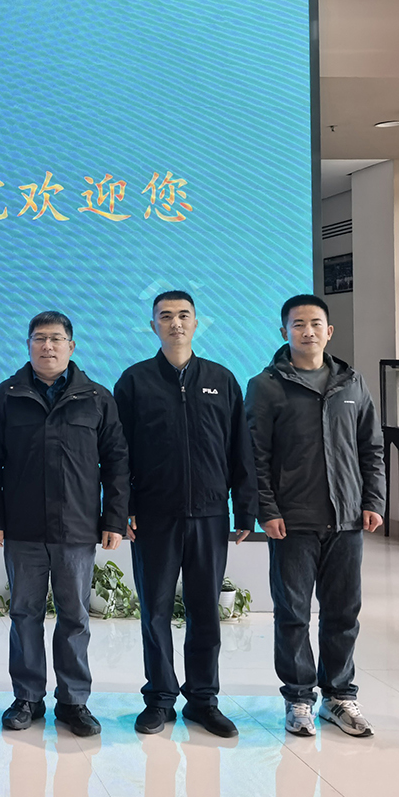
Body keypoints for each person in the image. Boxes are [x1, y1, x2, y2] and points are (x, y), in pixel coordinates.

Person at [113, 290, 259, 738]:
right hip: (154, 516)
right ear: (153, 325)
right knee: (154, 611)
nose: (175, 323)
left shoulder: (221, 379)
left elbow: (240, 449)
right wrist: (123, 507)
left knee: (204, 612)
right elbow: (119, 454)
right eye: (165, 316)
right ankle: (159, 698)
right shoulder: (134, 381)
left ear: (196, 322)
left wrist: (245, 508)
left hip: (209, 515)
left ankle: (203, 700)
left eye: (183, 315)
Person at [0, 310, 129, 737]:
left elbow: (117, 462)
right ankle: (27, 698)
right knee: (24, 614)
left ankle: (73, 701)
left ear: (71, 346)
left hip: (76, 529)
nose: (47, 346)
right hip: (22, 528)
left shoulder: (96, 398)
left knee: (75, 616)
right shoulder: (7, 395)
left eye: (56, 338)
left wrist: (114, 519)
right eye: (39, 338)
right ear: (28, 345)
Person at [245, 294, 386, 738]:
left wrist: (373, 501)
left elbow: (371, 447)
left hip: (346, 519)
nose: (308, 331)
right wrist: (266, 509)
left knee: (343, 613)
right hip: (293, 521)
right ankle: (299, 698)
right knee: (293, 614)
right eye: (298, 324)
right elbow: (256, 456)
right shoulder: (266, 385)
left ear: (329, 331)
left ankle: (339, 696)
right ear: (284, 332)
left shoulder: (352, 383)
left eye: (315, 323)